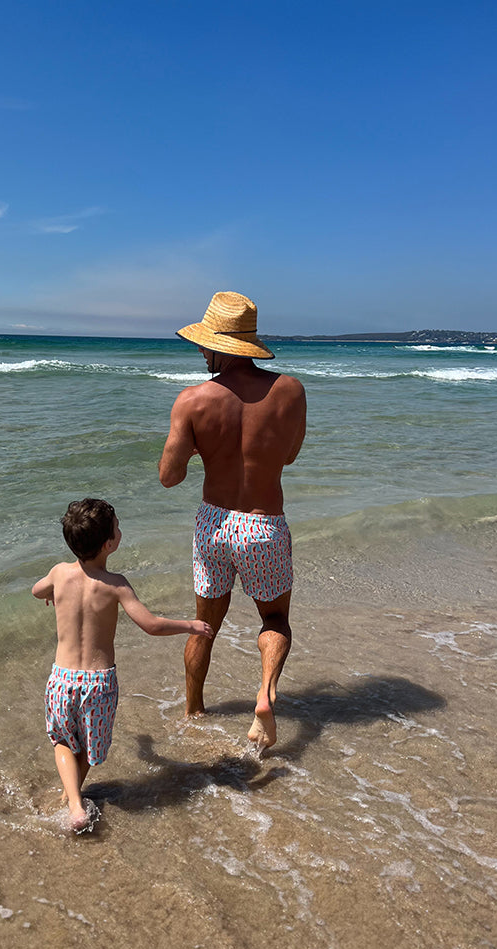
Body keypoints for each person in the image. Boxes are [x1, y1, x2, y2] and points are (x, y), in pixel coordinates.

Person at [158, 291, 306, 748]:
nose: (201, 351)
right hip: (262, 525)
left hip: (213, 525)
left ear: (223, 346)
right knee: (275, 619)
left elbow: (169, 476)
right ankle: (264, 694)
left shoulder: (192, 401)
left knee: (205, 624)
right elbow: (291, 456)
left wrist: (205, 447)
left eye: (205, 344)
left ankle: (193, 710)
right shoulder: (290, 391)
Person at [32, 498, 214, 831]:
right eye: (117, 526)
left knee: (62, 741)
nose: (120, 529)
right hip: (99, 685)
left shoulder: (59, 573)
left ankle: (72, 801)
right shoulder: (116, 584)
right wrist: (190, 625)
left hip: (62, 679)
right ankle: (73, 800)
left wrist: (51, 593)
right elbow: (151, 624)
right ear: (109, 544)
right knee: (87, 747)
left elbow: (35, 589)